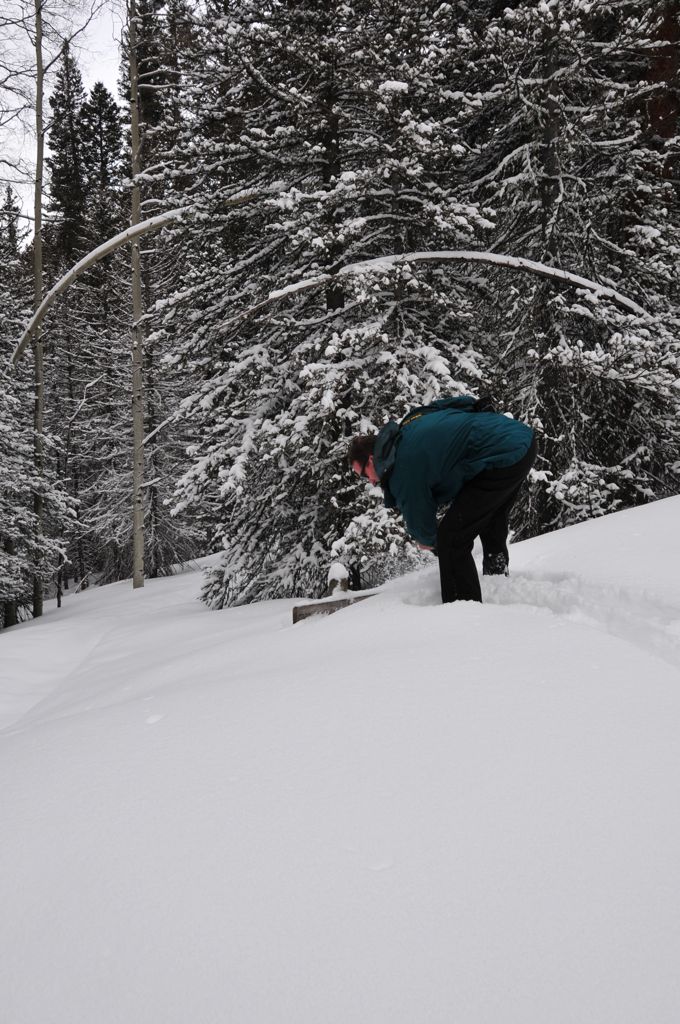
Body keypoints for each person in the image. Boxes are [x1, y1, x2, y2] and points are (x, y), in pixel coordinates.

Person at [348, 396, 536, 603]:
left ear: (372, 459)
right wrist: (478, 407)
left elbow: (422, 525)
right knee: (489, 515)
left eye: (364, 475)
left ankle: (463, 609)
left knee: (451, 539)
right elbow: (454, 404)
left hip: (503, 456)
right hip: (520, 439)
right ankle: (498, 581)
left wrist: (433, 543)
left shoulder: (401, 469)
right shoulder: (410, 422)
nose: (371, 482)